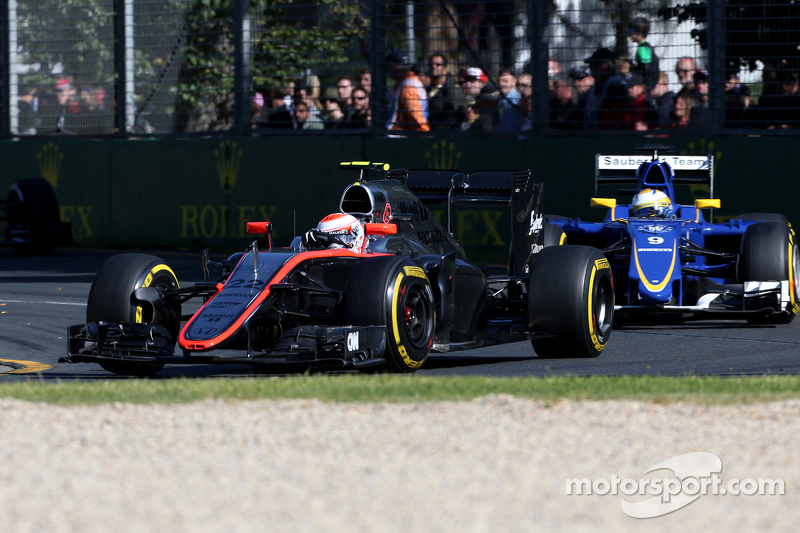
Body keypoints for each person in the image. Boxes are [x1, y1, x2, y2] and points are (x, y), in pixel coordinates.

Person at [584, 48, 633, 130]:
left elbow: (618, 118)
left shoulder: (615, 86)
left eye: (594, 64)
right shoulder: (599, 85)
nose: (591, 68)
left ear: (606, 64)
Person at [385, 50, 429, 133]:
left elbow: (416, 118)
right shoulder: (403, 84)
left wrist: (424, 137)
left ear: (393, 67)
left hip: (404, 138)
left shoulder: (408, 86)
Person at [302, 213, 367, 253]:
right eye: (323, 240)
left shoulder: (369, 265)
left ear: (355, 235)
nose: (331, 245)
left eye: (338, 237)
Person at [426, 53, 457, 130]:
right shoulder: (425, 89)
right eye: (431, 64)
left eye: (438, 64)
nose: (433, 66)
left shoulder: (453, 91)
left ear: (445, 69)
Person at [629, 16, 659, 91]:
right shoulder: (644, 46)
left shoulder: (643, 48)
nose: (629, 34)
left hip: (647, 85)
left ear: (639, 32)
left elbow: (646, 68)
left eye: (631, 30)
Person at [496, 68, 523, 133]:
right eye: (499, 81)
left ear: (514, 83)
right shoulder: (503, 98)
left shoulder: (516, 99)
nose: (501, 84)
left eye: (505, 81)